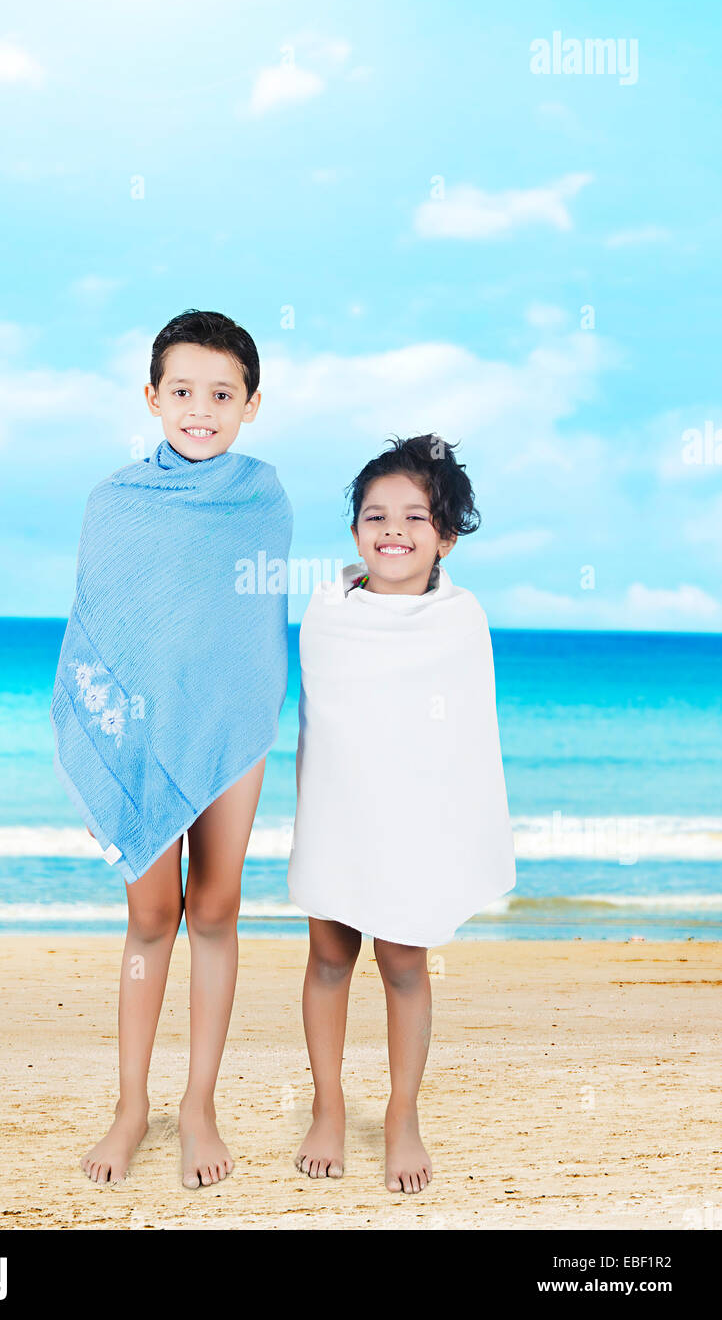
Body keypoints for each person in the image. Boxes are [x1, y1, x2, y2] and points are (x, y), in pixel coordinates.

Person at [51, 309, 292, 1187]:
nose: (202, 409)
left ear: (251, 404)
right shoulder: (114, 502)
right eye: (183, 391)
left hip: (232, 729)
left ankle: (199, 1107)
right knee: (151, 916)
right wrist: (101, 762)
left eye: (222, 394)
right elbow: (99, 634)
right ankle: (131, 1107)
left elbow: (249, 628)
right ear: (151, 398)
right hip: (140, 735)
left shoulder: (264, 498)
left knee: (217, 909)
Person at [288, 433, 515, 1193]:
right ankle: (327, 1105)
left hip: (417, 823)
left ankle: (402, 1113)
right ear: (355, 531)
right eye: (375, 514)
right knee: (328, 959)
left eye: (416, 517)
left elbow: (465, 743)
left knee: (404, 964)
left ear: (446, 536)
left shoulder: (461, 620)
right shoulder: (327, 612)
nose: (393, 529)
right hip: (337, 812)